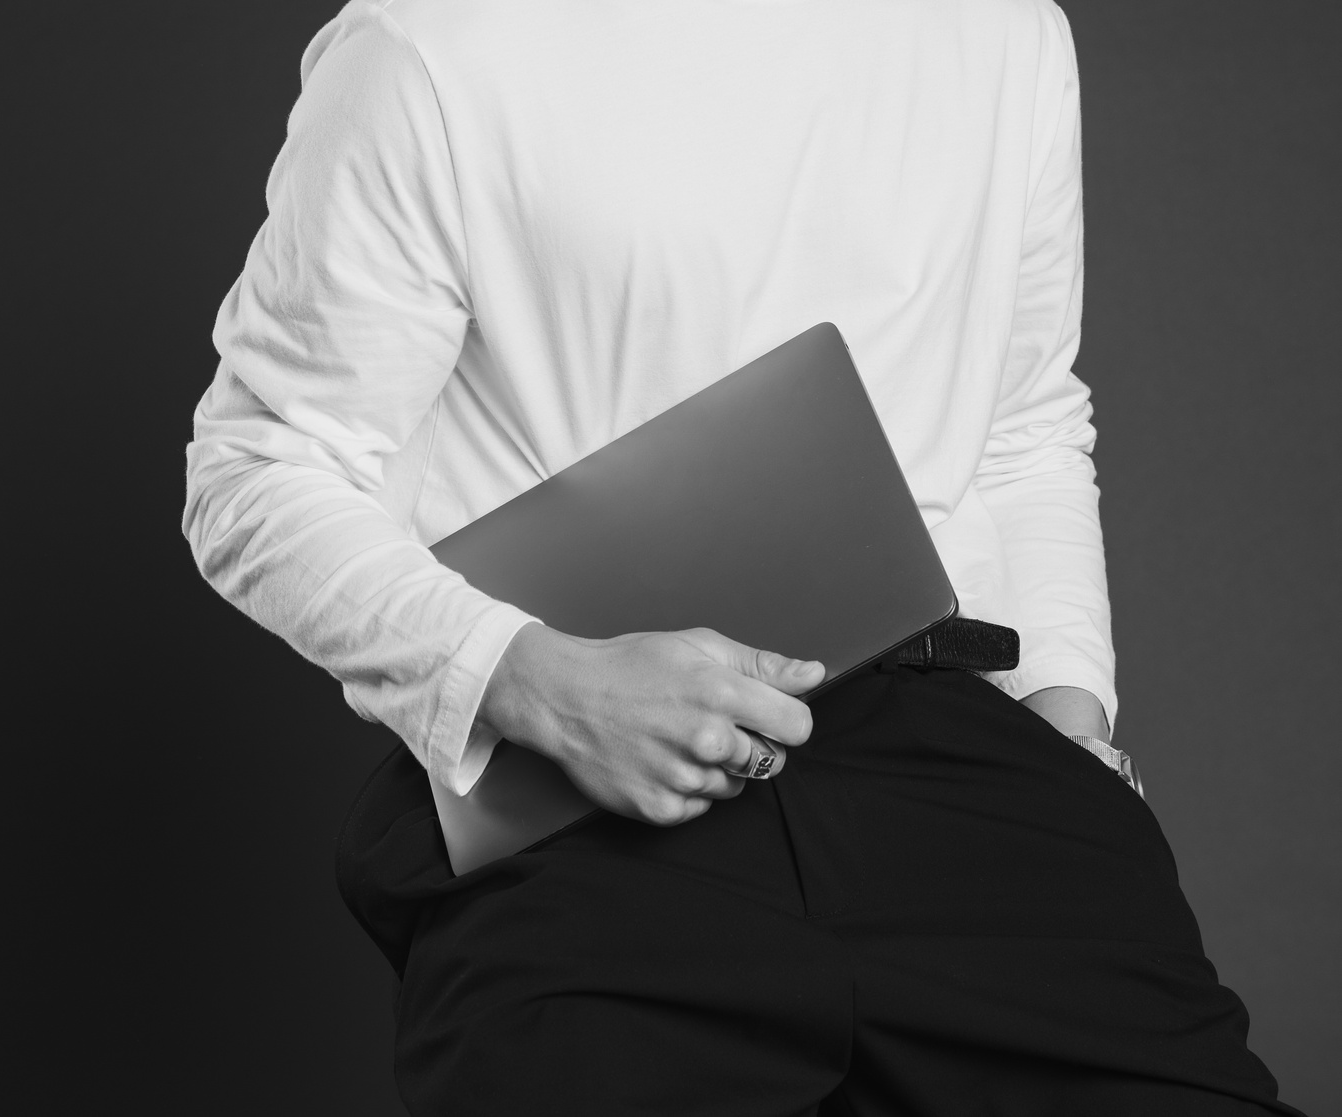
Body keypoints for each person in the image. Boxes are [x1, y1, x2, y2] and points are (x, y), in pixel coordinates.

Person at [184, 0, 1301, 1112]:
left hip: (952, 752)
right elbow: (259, 467)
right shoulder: (432, 46)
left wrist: (1072, 725)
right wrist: (542, 687)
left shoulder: (1004, 30)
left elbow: (1022, 428)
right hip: (587, 798)